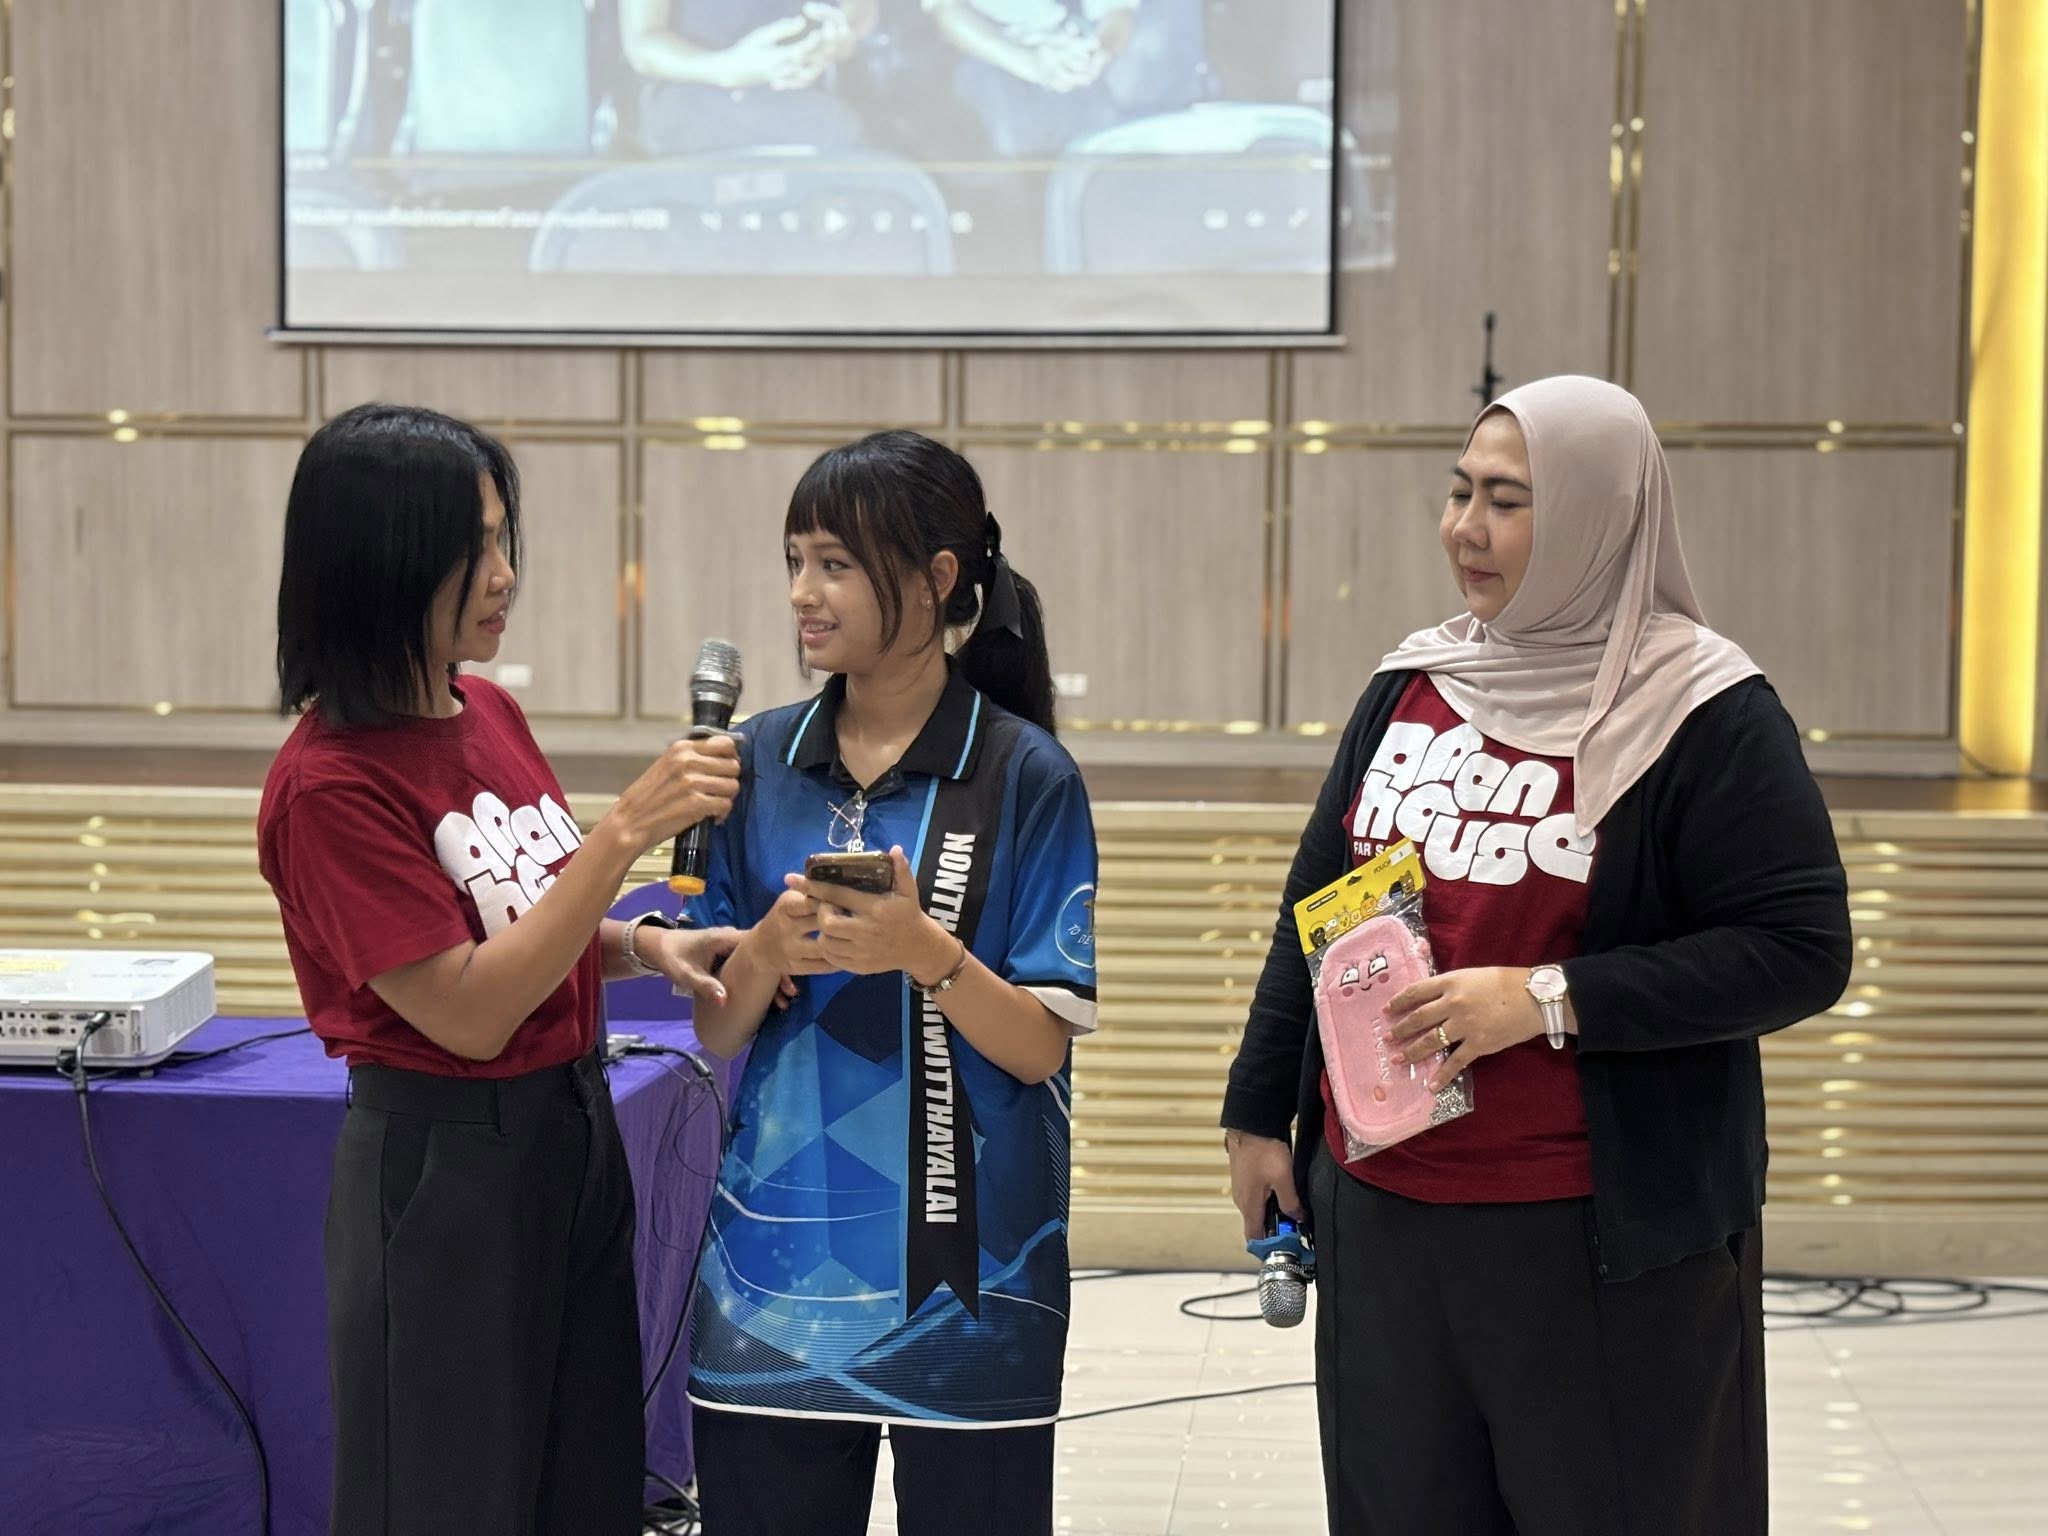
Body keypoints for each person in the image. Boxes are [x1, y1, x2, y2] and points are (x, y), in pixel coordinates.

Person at [1221, 376, 1853, 1535]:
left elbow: (1798, 949)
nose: (1464, 528)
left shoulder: (1702, 708)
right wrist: (1259, 1109)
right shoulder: (1413, 682)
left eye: (1505, 502)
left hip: (1592, 1238)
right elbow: (1312, 907)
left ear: (1595, 519)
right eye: (1458, 491)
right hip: (1382, 1212)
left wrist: (1546, 997)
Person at [258, 403, 747, 1536]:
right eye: (470, 548)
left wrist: (646, 946)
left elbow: (526, 921)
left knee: (581, 1481)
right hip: (446, 1169)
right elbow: (470, 1010)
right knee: (448, 1495)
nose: (504, 573)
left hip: (567, 1135)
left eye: (500, 539)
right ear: (380, 563)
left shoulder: (486, 710)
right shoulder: (329, 784)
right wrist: (625, 832)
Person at [680, 430, 1098, 1536]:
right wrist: (765, 950)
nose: (801, 594)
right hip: (770, 1287)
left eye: (835, 565)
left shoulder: (1025, 774)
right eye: (794, 561)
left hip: (972, 1288)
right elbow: (718, 1031)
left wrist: (925, 952)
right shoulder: (756, 760)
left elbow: (1038, 1046)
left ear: (934, 579)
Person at [925, 0, 1208, 157]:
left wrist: (1099, 52)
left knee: (1155, 41)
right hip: (995, 50)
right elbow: (947, 12)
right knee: (995, 126)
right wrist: (1030, 63)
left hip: (1076, 43)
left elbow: (1116, 13)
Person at [622, 0, 877, 155]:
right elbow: (642, 43)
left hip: (806, 114)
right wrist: (727, 69)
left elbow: (861, 11)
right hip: (691, 116)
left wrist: (839, 36)